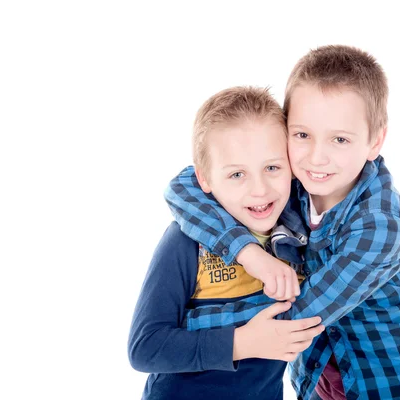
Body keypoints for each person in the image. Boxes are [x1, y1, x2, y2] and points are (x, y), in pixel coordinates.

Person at [164, 45, 400, 399]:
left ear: (375, 141)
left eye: (339, 139)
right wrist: (247, 252)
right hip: (326, 370)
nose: (317, 157)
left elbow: (298, 317)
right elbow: (184, 186)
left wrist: (182, 335)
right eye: (302, 135)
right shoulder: (292, 181)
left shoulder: (380, 227)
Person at [128, 86, 325, 400]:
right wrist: (243, 343)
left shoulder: (300, 237)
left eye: (272, 167)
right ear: (204, 178)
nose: (259, 190)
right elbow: (144, 348)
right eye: (237, 174)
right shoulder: (185, 242)